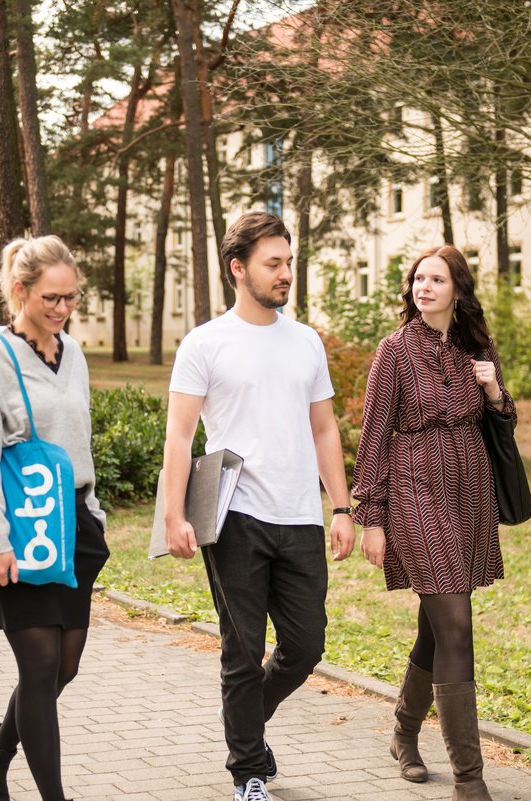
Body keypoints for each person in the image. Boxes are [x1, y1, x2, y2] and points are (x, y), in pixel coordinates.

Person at [162, 211, 356, 801]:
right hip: (234, 517)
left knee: (305, 647)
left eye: (289, 262)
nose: (285, 274)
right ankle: (248, 771)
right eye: (273, 264)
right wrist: (174, 513)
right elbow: (179, 433)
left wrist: (342, 507)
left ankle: (248, 727)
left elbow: (324, 429)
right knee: (242, 651)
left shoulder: (305, 341)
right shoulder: (205, 343)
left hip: (298, 514)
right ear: (237, 269)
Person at [352, 245, 513, 801]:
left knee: (437, 625)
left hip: (469, 494)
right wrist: (369, 517)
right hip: (415, 496)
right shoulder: (394, 351)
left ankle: (403, 731)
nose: (424, 287)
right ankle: (470, 779)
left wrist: (492, 387)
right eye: (419, 278)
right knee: (457, 625)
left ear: (458, 290)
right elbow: (372, 439)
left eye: (436, 279)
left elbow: (505, 417)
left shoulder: (477, 348)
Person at [0, 235, 109, 801]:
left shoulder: (73, 354)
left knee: (61, 668)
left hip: (73, 527)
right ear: (19, 290)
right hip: (20, 529)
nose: (61, 309)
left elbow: (81, 439)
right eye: (51, 297)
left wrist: (91, 511)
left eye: (70, 298)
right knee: (40, 664)